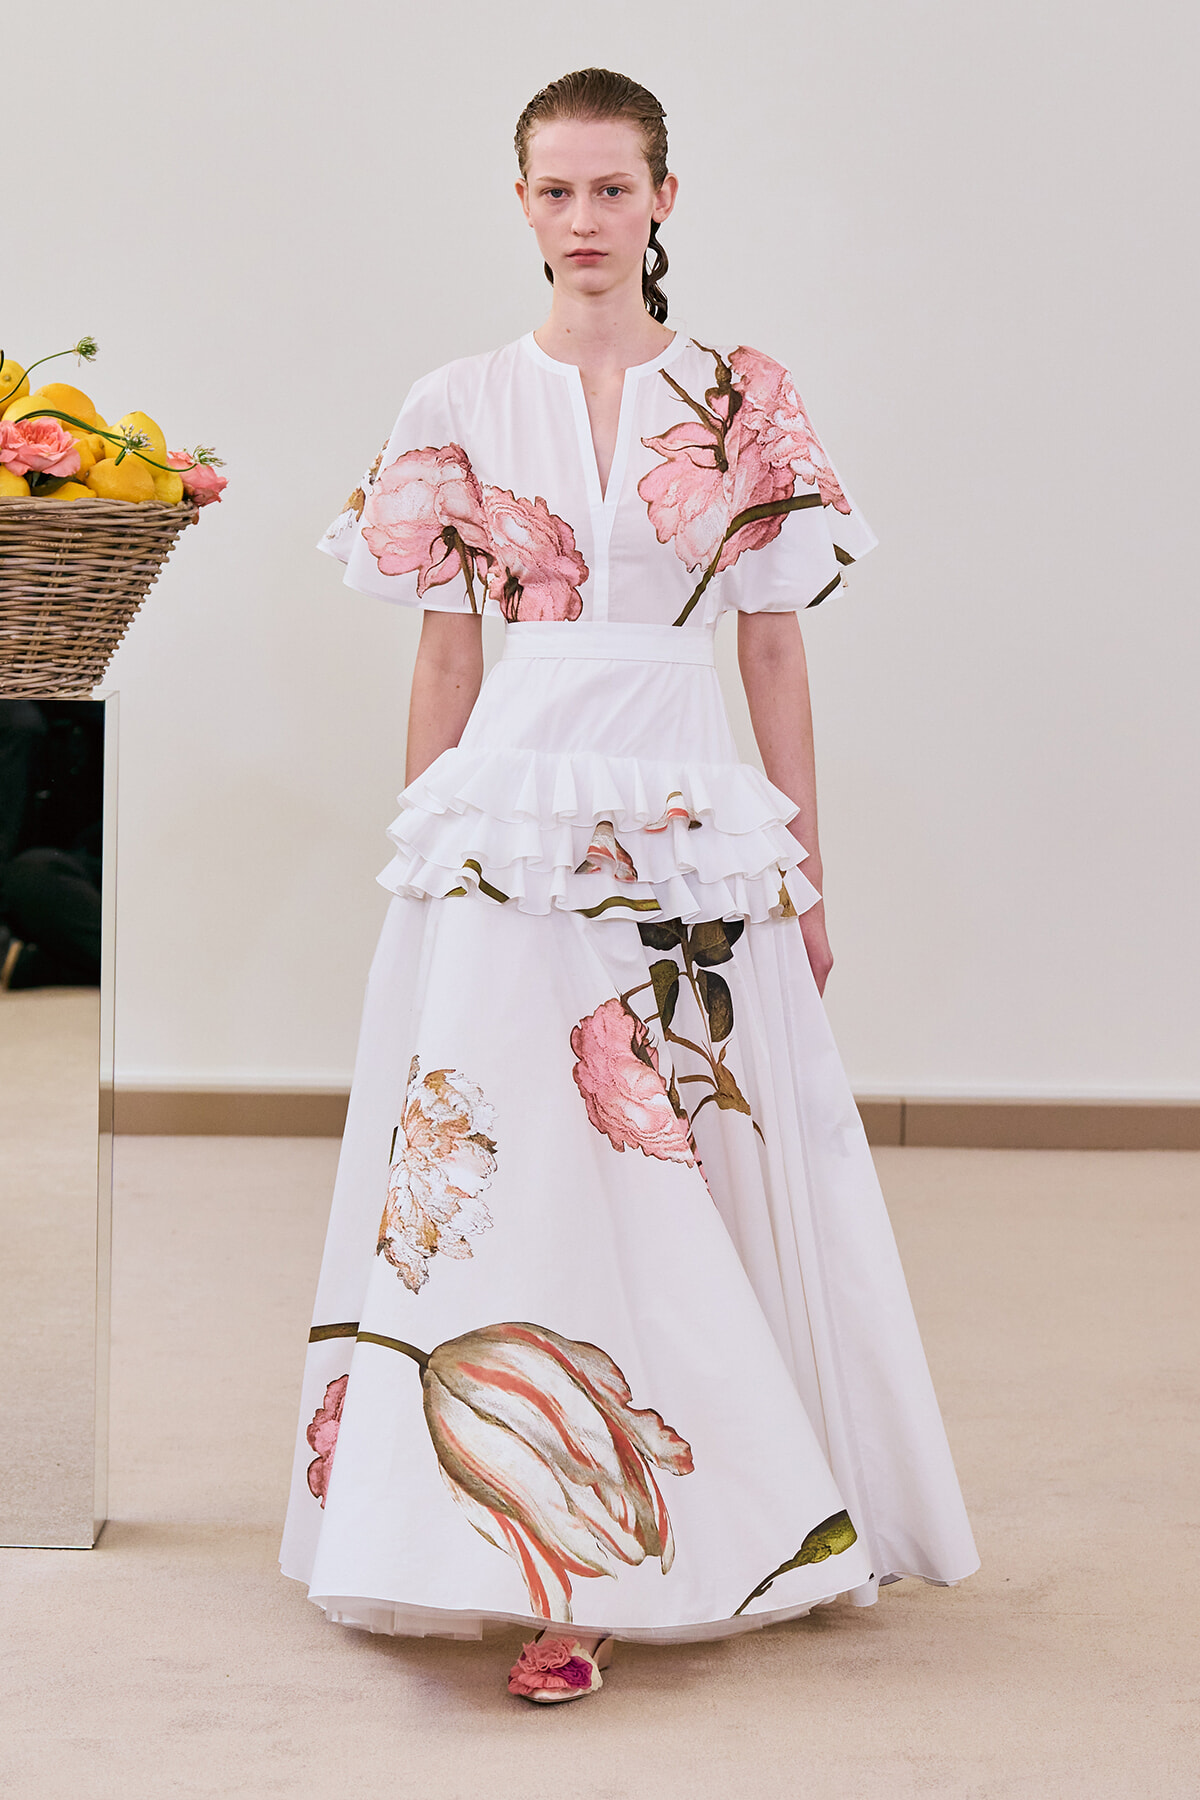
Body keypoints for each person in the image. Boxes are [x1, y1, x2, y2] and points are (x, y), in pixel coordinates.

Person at [281, 67, 977, 1704]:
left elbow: (778, 646)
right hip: (508, 821)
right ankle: (547, 1566)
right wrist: (421, 866)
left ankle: (743, 1511)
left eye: (612, 190)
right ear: (518, 204)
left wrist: (806, 870)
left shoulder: (742, 392)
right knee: (518, 1168)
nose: (583, 220)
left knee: (697, 1167)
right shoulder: (451, 397)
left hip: (686, 807)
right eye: (555, 191)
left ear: (666, 199)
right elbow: (445, 657)